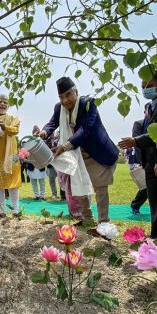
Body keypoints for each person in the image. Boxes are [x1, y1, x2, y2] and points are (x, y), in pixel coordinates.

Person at [41, 77, 119, 232]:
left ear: (76, 91)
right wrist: (44, 132)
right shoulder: (59, 108)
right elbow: (52, 123)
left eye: (68, 95)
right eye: (61, 97)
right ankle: (87, 219)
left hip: (97, 152)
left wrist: (64, 146)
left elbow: (86, 129)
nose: (65, 100)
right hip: (76, 155)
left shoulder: (89, 104)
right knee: (79, 187)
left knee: (100, 188)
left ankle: (103, 222)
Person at [119, 74, 157, 239]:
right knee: (154, 200)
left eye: (149, 84)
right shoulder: (151, 106)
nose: (145, 89)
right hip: (150, 161)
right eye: (143, 85)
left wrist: (136, 141)